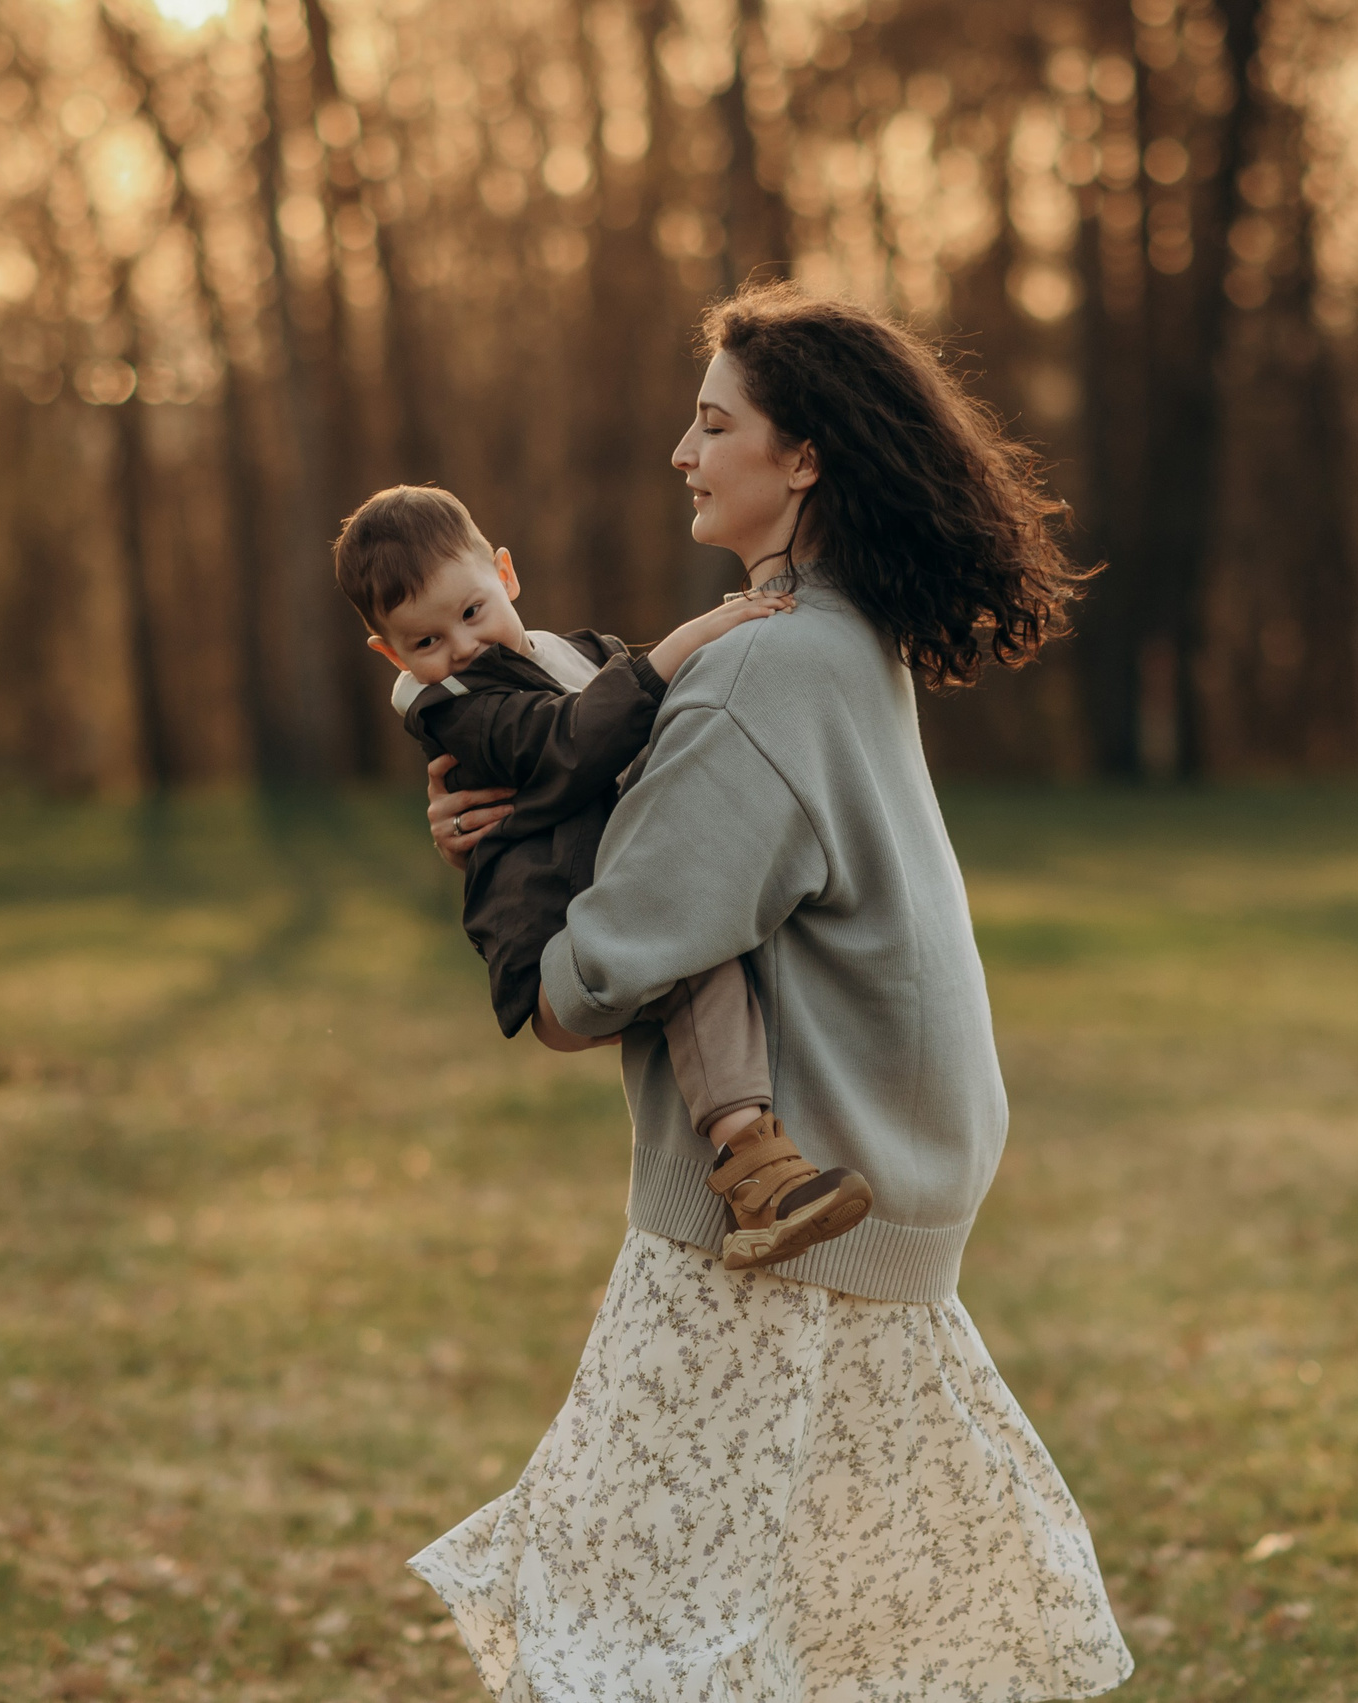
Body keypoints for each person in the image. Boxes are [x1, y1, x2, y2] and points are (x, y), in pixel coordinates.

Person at [410, 282, 1133, 1700]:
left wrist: (504, 891)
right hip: (874, 1206)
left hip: (777, 1234)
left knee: (634, 1633)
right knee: (831, 1638)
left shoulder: (763, 669)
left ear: (801, 458)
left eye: (714, 422)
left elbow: (587, 983)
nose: (683, 451)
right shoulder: (839, 636)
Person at [331, 485, 876, 1271]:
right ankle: (757, 1171)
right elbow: (569, 740)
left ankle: (770, 1178)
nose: (461, 647)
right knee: (685, 950)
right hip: (551, 946)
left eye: (473, 612)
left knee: (705, 949)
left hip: (605, 908)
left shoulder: (576, 654)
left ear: (505, 575)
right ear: (391, 654)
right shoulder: (457, 709)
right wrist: (691, 638)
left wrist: (729, 643)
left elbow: (666, 703)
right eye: (425, 641)